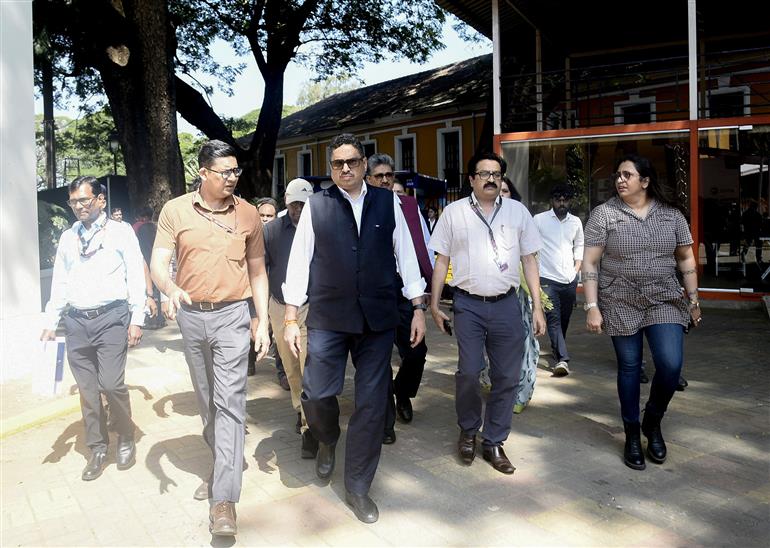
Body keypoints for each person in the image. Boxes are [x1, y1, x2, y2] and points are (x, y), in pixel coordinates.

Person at [283, 133, 426, 524]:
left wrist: (417, 307)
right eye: (336, 164)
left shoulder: (388, 201)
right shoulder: (317, 206)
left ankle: (358, 485)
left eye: (352, 162)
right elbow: (299, 262)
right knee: (314, 392)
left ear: (364, 164)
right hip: (329, 317)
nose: (344, 169)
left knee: (371, 402)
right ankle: (328, 438)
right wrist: (291, 318)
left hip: (377, 319)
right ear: (330, 169)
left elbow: (407, 257)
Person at [150, 140, 270, 537]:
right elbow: (158, 263)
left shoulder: (249, 214)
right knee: (207, 402)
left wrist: (263, 321)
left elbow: (257, 272)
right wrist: (169, 289)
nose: (233, 178)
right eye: (225, 172)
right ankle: (221, 462)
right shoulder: (176, 211)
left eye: (236, 171)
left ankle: (224, 500)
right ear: (203, 173)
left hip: (233, 315)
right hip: (191, 316)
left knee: (230, 401)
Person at [582, 153, 701, 471]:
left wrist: (693, 299)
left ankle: (653, 420)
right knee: (630, 368)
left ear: (645, 181)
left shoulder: (672, 215)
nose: (619, 180)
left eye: (627, 175)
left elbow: (686, 258)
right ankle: (632, 433)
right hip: (619, 300)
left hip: (664, 298)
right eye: (618, 175)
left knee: (670, 365)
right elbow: (590, 262)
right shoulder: (604, 214)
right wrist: (592, 306)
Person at [429, 151, 545, 475]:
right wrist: (435, 304)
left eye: (497, 174)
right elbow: (442, 260)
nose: (491, 179)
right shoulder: (453, 214)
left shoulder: (518, 213)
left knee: (506, 376)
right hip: (467, 304)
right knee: (469, 371)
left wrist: (537, 306)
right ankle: (468, 429)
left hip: (507, 304)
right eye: (484, 173)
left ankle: (493, 440)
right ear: (471, 180)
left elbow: (530, 260)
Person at [41, 176, 146, 481]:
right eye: (73, 201)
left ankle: (126, 435)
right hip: (75, 322)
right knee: (88, 392)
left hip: (111, 318)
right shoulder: (68, 238)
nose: (78, 207)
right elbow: (59, 281)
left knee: (111, 384)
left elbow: (135, 277)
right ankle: (97, 448)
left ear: (100, 200)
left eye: (84, 200)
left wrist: (136, 317)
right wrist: (51, 322)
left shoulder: (121, 233)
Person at [367, 153, 434, 444]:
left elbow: (423, 245)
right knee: (378, 358)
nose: (384, 180)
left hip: (406, 288)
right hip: (375, 290)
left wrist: (425, 287)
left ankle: (403, 391)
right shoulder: (363, 206)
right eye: (379, 175)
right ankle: (386, 421)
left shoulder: (408, 205)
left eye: (389, 175)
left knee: (416, 351)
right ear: (368, 179)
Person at [263, 178, 318, 458]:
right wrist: (259, 316)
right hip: (280, 307)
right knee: (291, 366)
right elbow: (260, 271)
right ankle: (300, 409)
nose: (298, 209)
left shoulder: (320, 228)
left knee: (310, 364)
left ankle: (311, 427)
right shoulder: (272, 231)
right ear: (287, 204)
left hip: (310, 307)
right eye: (294, 204)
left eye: (303, 204)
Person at [533, 184, 584, 377]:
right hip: (546, 278)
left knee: (564, 318)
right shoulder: (539, 220)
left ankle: (556, 347)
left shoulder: (576, 222)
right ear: (551, 201)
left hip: (569, 279)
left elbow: (579, 245)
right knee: (553, 318)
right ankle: (562, 359)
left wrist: (576, 269)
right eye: (557, 199)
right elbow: (531, 246)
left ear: (570, 201)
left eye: (565, 200)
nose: (561, 203)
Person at [250, 196, 288, 387]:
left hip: (277, 293)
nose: (265, 218)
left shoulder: (281, 233)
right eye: (262, 215)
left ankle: (283, 372)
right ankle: (250, 358)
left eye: (269, 215)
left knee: (280, 333)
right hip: (255, 291)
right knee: (255, 325)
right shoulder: (249, 233)